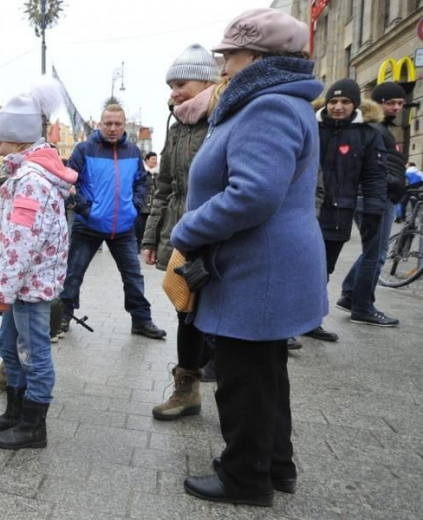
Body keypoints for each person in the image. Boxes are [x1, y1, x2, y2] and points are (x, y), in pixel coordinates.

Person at [172, 8, 327, 506]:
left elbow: (254, 195)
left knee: (244, 380)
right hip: (265, 264)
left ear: (258, 58)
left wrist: (187, 227)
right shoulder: (276, 101)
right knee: (266, 374)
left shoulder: (268, 107)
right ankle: (276, 465)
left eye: (230, 56)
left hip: (257, 268)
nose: (223, 67)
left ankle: (245, 478)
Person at [0, 80, 75, 450]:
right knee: (9, 344)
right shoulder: (24, 175)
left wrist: (2, 291)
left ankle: (33, 425)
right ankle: (15, 411)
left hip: (29, 288)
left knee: (33, 354)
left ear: (16, 138)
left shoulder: (31, 180)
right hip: (22, 285)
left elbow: (22, 240)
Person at [141, 43, 220, 421]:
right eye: (170, 85)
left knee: (220, 318)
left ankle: (230, 394)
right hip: (182, 238)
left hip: (219, 237)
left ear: (208, 81)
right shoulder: (177, 127)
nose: (173, 92)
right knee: (185, 314)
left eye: (181, 83)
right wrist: (152, 238)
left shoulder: (225, 119)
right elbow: (166, 187)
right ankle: (187, 391)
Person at [59, 104, 166, 340]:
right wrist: (86, 209)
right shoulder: (84, 149)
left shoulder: (133, 151)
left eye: (118, 124)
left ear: (124, 125)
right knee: (73, 273)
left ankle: (141, 320)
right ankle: (62, 316)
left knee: (133, 276)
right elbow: (66, 183)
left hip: (124, 227)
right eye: (108, 124)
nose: (113, 128)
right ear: (100, 124)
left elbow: (142, 182)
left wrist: (134, 207)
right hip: (88, 226)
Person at [312, 79, 389, 331]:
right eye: (333, 101)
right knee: (303, 267)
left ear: (354, 104)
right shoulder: (312, 127)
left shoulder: (367, 134)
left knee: (325, 269)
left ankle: (310, 322)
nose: (338, 106)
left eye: (345, 101)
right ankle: (292, 324)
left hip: (339, 212)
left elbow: (374, 175)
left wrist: (373, 210)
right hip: (308, 211)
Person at [337, 82, 408, 326]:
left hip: (375, 195)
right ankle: (363, 307)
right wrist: (391, 184)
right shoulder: (375, 128)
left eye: (400, 103)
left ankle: (350, 293)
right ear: (378, 103)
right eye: (391, 103)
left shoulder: (378, 127)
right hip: (375, 196)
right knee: (376, 254)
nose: (396, 107)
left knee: (372, 252)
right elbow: (371, 167)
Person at [135, 152, 158, 252]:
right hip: (142, 204)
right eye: (153, 159)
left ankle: (149, 246)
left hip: (154, 205)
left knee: (152, 227)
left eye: (156, 159)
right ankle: (137, 245)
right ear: (147, 160)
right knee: (140, 226)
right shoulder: (142, 172)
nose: (155, 161)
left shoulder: (158, 174)